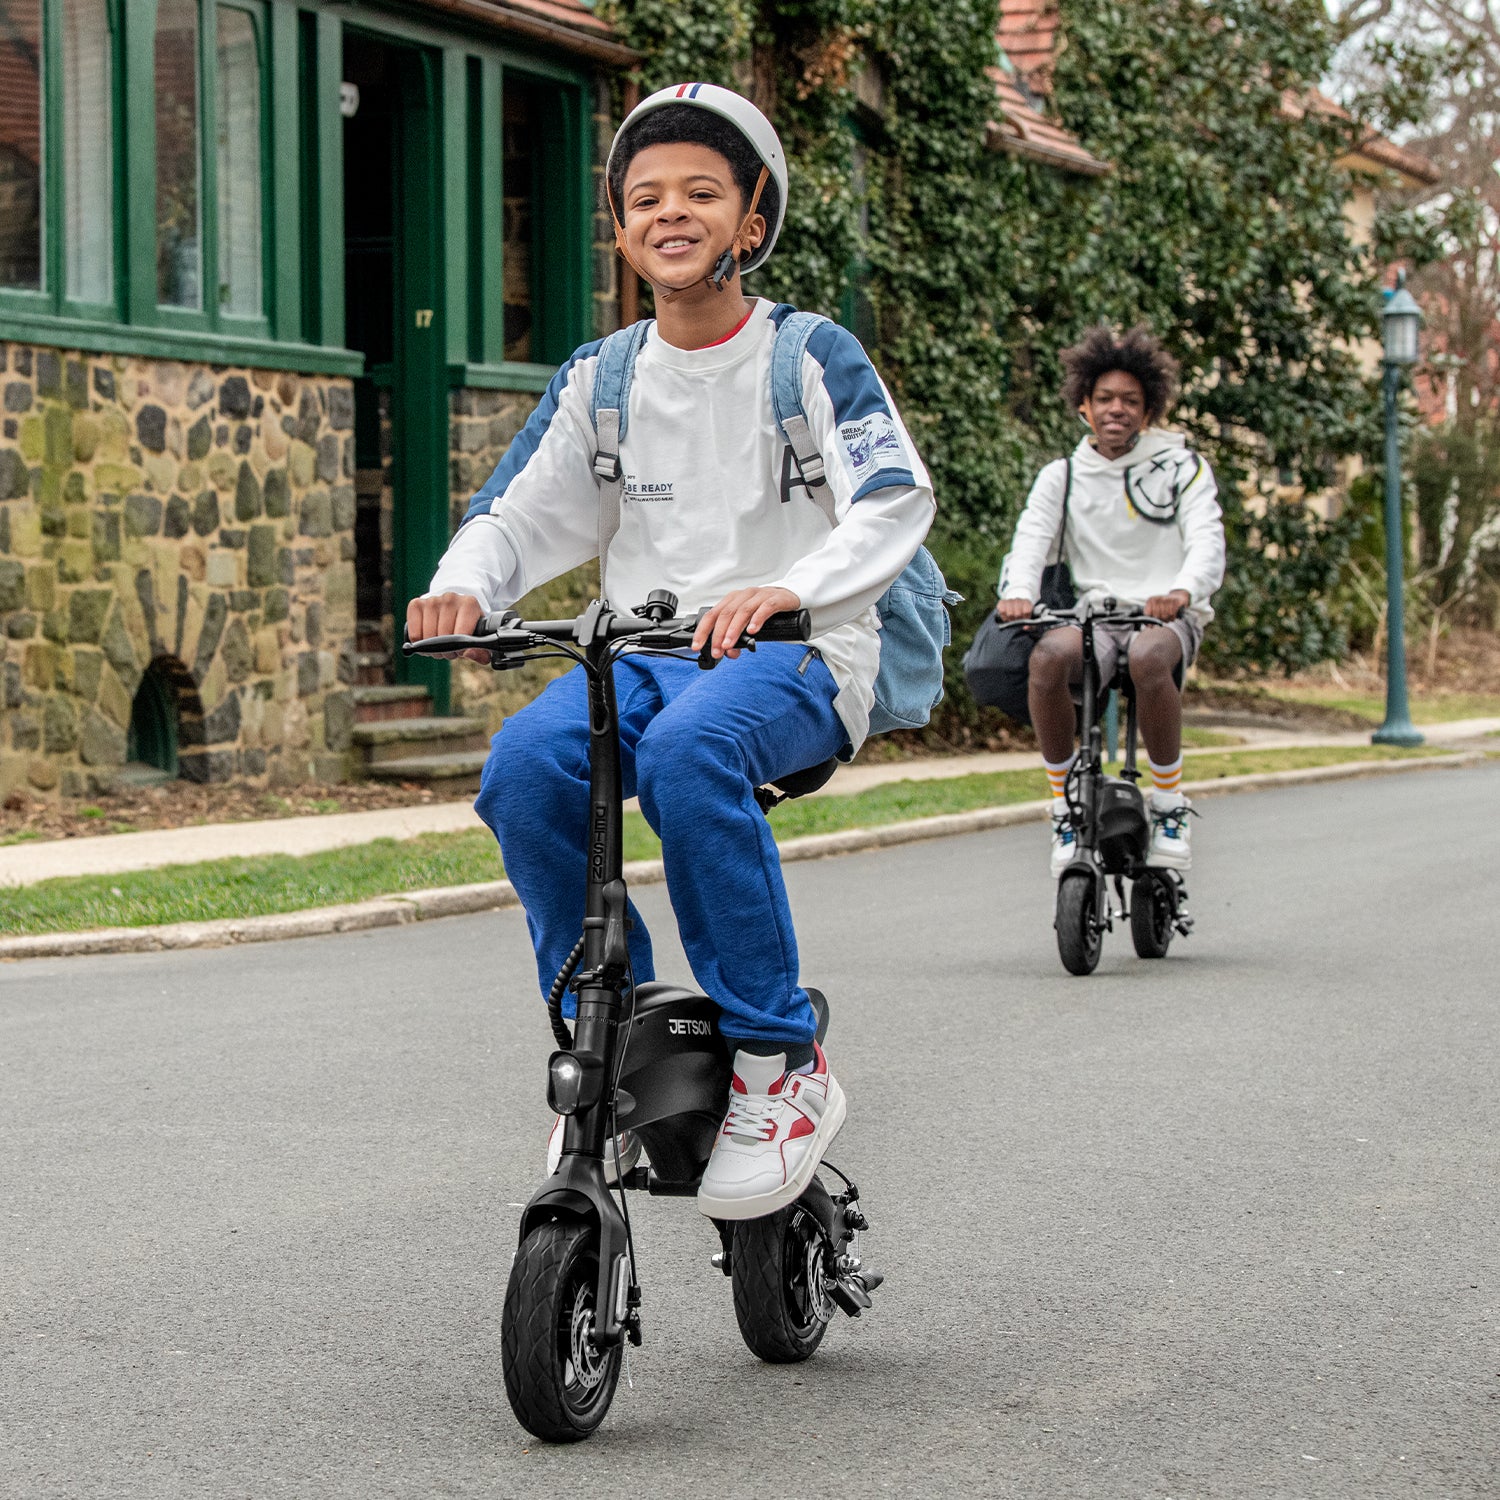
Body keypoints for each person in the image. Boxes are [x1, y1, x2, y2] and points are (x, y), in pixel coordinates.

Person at [406, 84, 934, 1221]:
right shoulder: (603, 377)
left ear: (751, 224)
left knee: (697, 751)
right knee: (522, 772)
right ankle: (627, 1027)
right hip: (642, 654)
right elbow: (519, 514)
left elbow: (892, 499)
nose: (670, 212)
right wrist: (463, 589)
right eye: (645, 198)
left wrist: (793, 587)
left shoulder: (810, 356)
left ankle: (777, 1067)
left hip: (794, 657)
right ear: (624, 231)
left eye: (703, 192)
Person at [996, 325, 1225, 876]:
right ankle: (1064, 807)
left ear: (1148, 412)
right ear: (1083, 405)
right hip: (1095, 614)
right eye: (1105, 399)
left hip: (1164, 617)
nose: (1117, 409)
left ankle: (1169, 804)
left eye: (1131, 401)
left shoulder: (1183, 468)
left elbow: (1207, 541)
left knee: (1148, 659)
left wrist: (1182, 592)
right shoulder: (1064, 476)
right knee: (1049, 657)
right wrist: (1019, 594)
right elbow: (1031, 540)